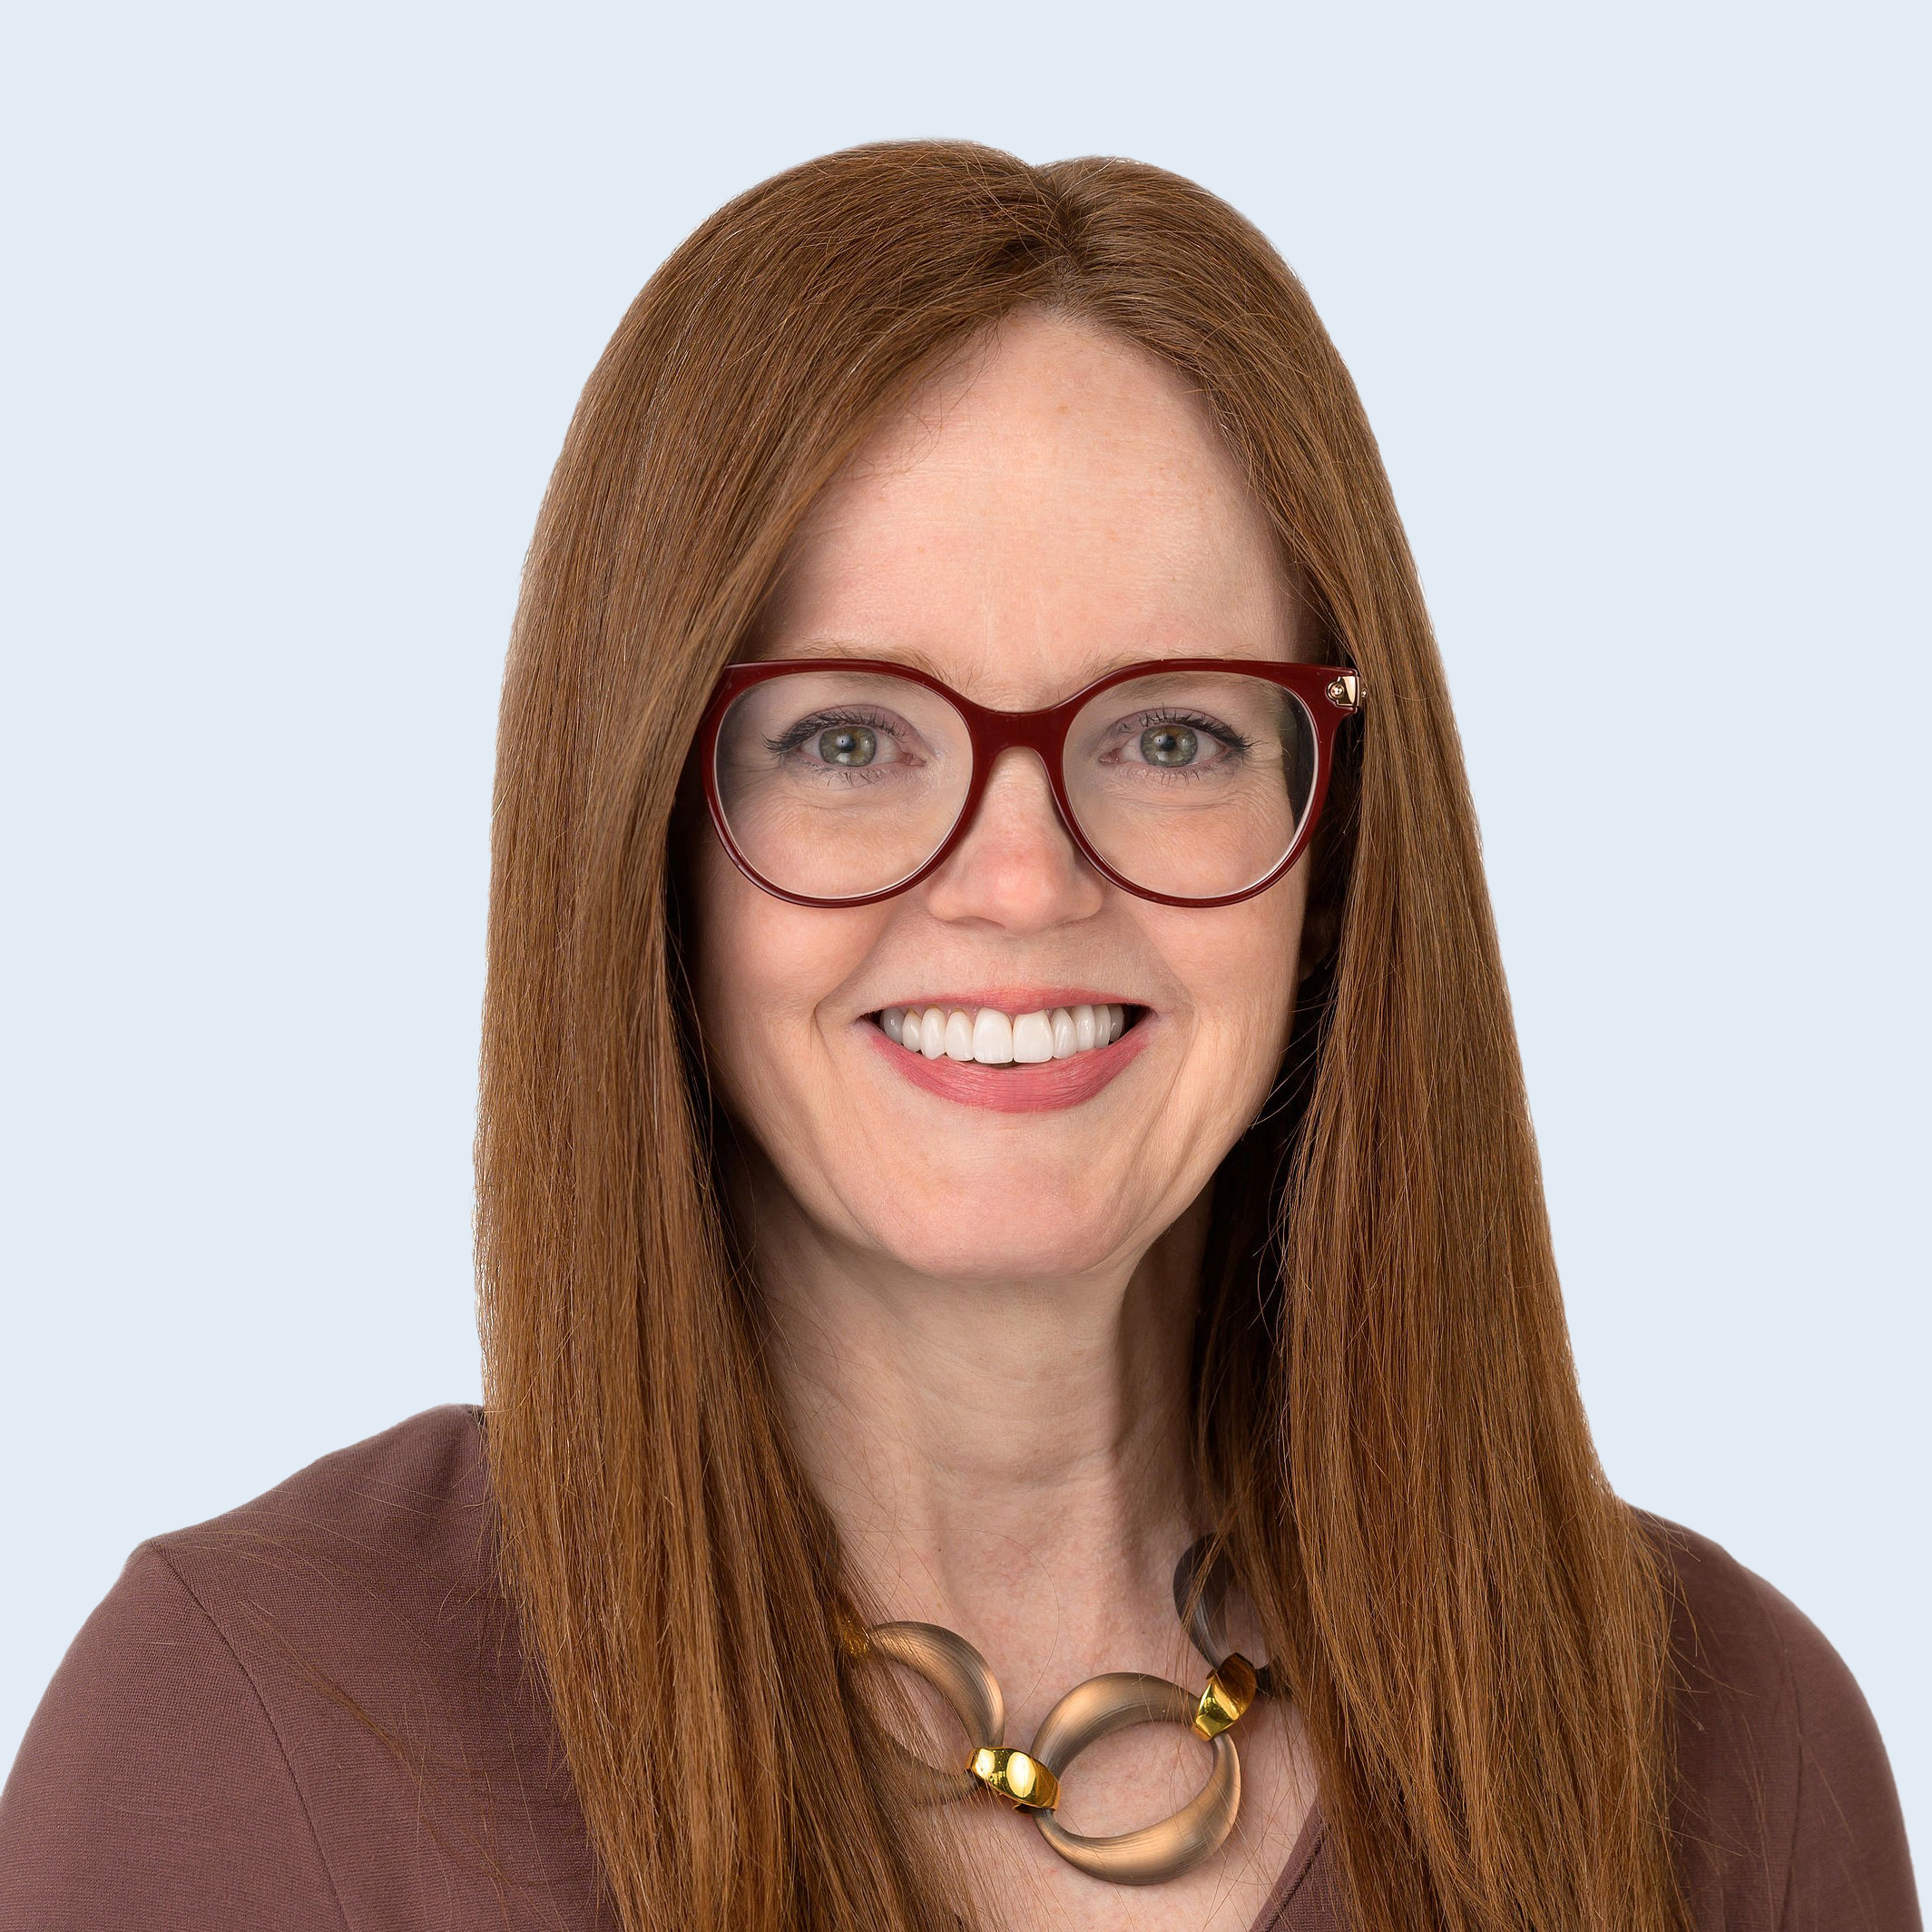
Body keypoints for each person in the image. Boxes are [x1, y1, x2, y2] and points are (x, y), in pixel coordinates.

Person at [0, 138, 1917, 1932]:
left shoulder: (1732, 1746)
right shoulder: (250, 1737)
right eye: (848, 738)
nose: (1019, 882)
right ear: (646, 840)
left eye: (1172, 734)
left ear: (1335, 837)